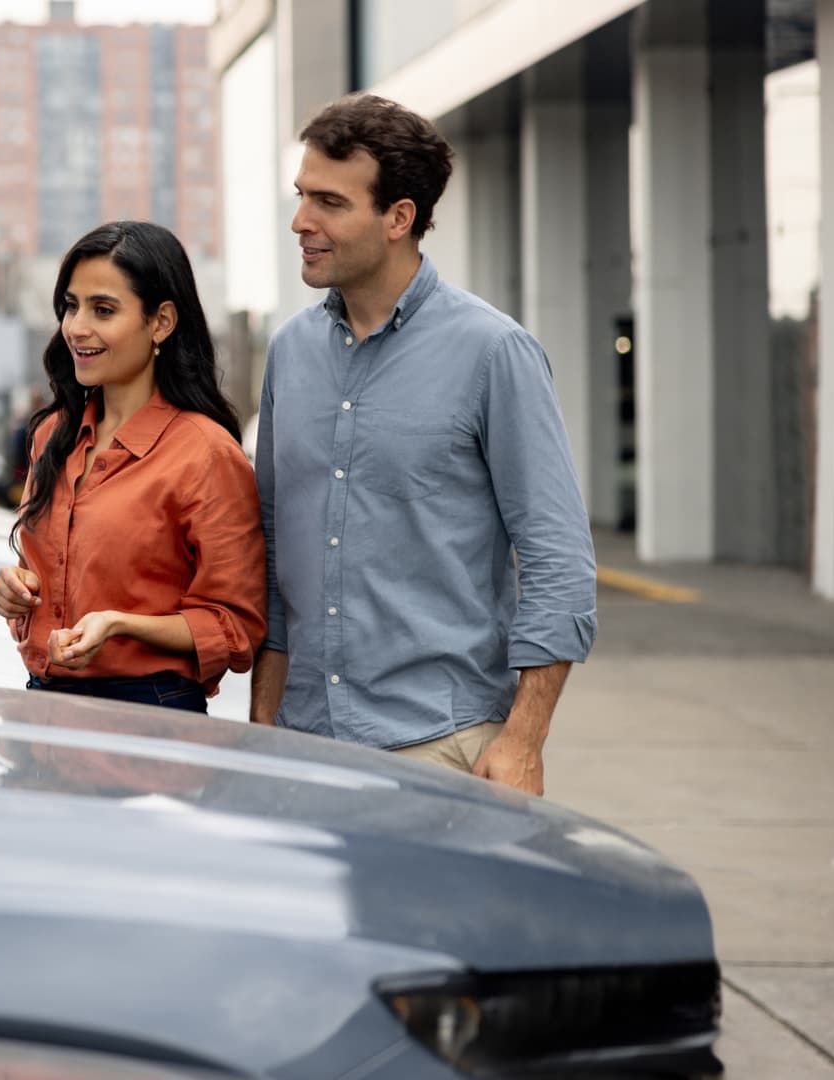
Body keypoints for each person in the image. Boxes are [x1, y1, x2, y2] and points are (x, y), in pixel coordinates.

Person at [249, 94, 597, 795]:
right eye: (301, 195)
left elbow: (557, 560)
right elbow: (275, 551)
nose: (301, 221)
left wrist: (523, 739)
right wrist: (263, 722)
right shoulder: (290, 352)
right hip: (302, 741)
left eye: (329, 202)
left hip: (441, 747)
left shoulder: (493, 352)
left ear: (398, 217)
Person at [0, 221, 266, 711]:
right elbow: (50, 580)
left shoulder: (205, 453)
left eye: (103, 309)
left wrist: (120, 624)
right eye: (71, 306)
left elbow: (234, 627)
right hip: (42, 709)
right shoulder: (53, 436)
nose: (76, 327)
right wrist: (17, 595)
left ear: (161, 322)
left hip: (151, 714)